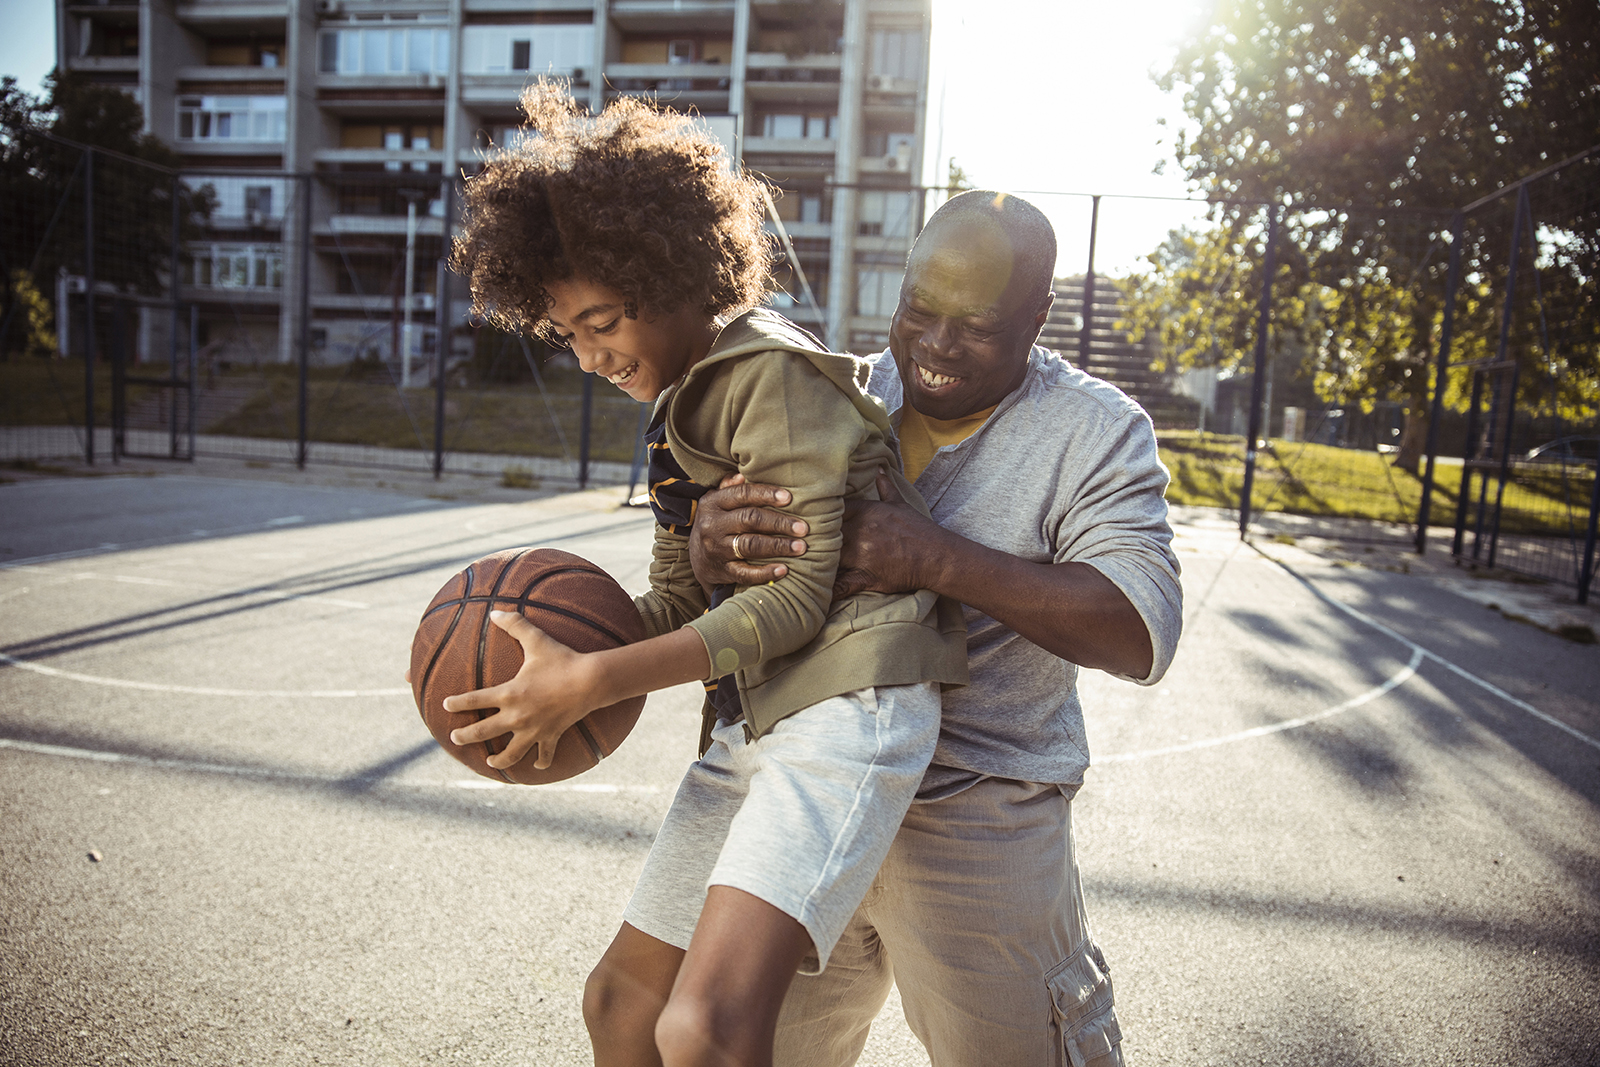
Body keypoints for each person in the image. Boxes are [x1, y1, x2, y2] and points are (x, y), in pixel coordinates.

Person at [442, 83, 967, 1067]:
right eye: (571, 334)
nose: (590, 354)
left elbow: (796, 598)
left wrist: (596, 680)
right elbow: (679, 604)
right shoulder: (672, 418)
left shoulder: (772, 372)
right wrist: (556, 651)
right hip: (755, 717)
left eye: (602, 320)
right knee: (620, 1006)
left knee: (705, 1027)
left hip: (852, 707)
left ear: (678, 269)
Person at [686, 190, 1184, 1066]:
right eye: (921, 309)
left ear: (1038, 318)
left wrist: (938, 558)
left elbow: (1140, 627)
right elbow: (734, 599)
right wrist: (711, 546)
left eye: (979, 327)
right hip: (815, 789)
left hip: (976, 806)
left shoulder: (1094, 430)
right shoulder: (831, 396)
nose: (938, 345)